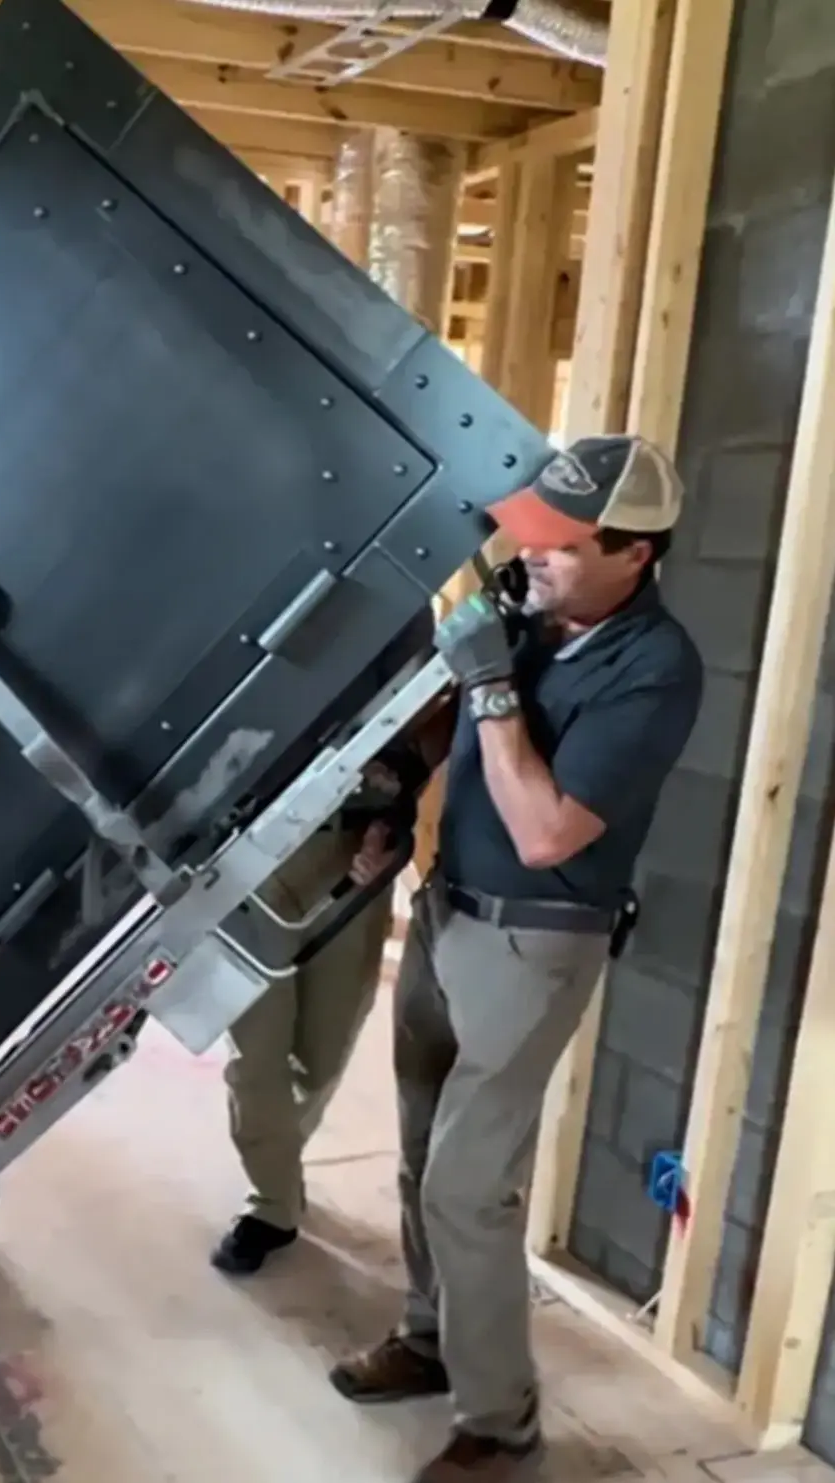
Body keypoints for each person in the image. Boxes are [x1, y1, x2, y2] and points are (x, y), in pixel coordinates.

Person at [325, 434, 703, 1483]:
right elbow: (457, 730)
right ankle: (430, 1336)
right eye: (528, 537)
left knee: (467, 1186)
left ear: (636, 554)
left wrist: (493, 688)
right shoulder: (535, 619)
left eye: (561, 546)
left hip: (536, 944)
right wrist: (402, 777)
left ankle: (502, 1427)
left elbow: (546, 830)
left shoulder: (655, 670)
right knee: (417, 1151)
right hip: (447, 914)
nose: (530, 557)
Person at [211, 806, 405, 1275]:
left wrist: (394, 829)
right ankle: (272, 1203)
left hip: (353, 852)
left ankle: (280, 1157)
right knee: (256, 1058)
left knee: (323, 1053)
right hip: (248, 851)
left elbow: (432, 742)